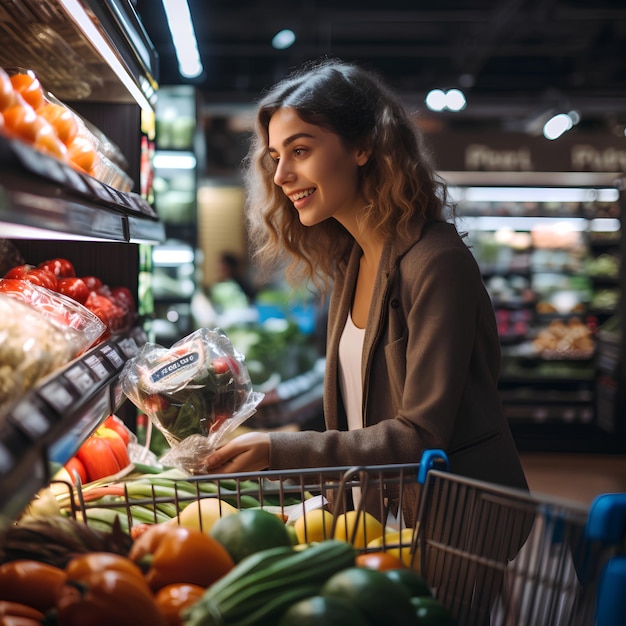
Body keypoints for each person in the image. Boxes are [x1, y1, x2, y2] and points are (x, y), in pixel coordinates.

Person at [204, 58, 528, 517]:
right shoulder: (353, 263)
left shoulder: (437, 263)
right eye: (276, 158)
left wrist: (283, 450)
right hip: (374, 517)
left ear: (362, 146)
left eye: (299, 151)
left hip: (448, 528)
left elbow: (421, 435)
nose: (279, 177)